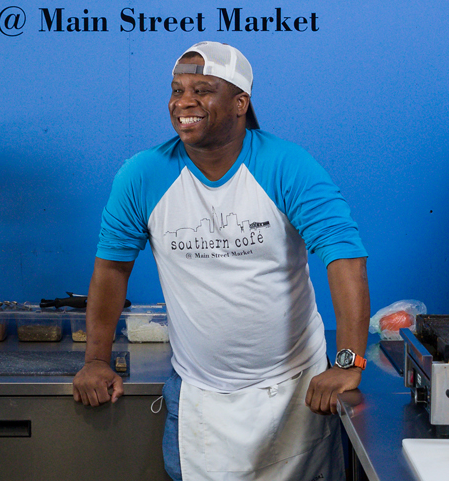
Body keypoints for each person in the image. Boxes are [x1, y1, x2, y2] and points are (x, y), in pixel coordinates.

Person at [72, 40, 370, 481]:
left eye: (202, 90)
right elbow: (112, 269)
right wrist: (97, 359)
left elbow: (345, 259)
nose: (183, 102)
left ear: (240, 103)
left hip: (294, 391)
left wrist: (347, 363)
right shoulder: (143, 175)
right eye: (177, 90)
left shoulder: (287, 166)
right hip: (200, 397)